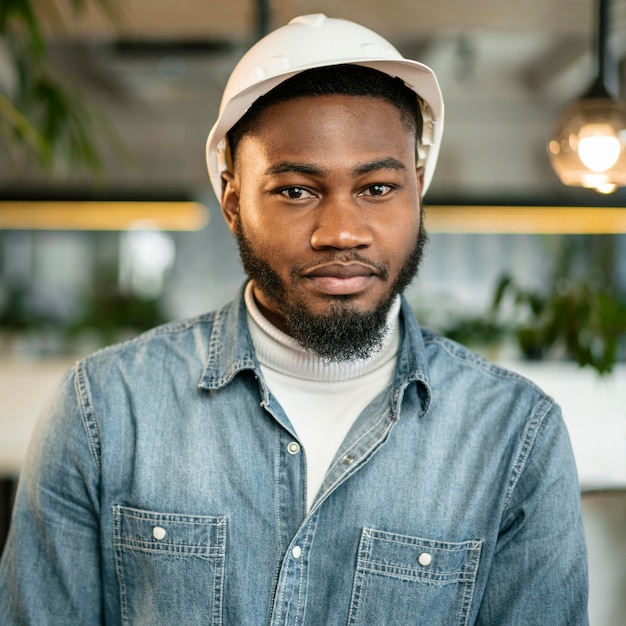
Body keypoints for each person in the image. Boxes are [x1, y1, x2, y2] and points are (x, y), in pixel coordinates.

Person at [0, 14, 588, 625]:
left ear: (418, 190)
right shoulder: (105, 411)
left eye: (378, 188)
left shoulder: (516, 436)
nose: (341, 232)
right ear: (233, 202)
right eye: (295, 191)